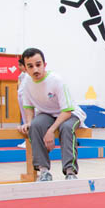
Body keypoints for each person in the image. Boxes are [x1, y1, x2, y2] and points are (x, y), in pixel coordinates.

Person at [18, 47, 83, 180]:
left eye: (38, 65)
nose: (35, 69)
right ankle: (44, 171)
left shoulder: (56, 80)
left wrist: (51, 131)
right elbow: (28, 106)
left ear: (44, 64)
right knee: (35, 126)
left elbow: (67, 111)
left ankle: (70, 171)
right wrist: (28, 122)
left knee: (66, 128)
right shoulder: (26, 84)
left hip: (69, 113)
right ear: (25, 68)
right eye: (30, 66)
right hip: (47, 114)